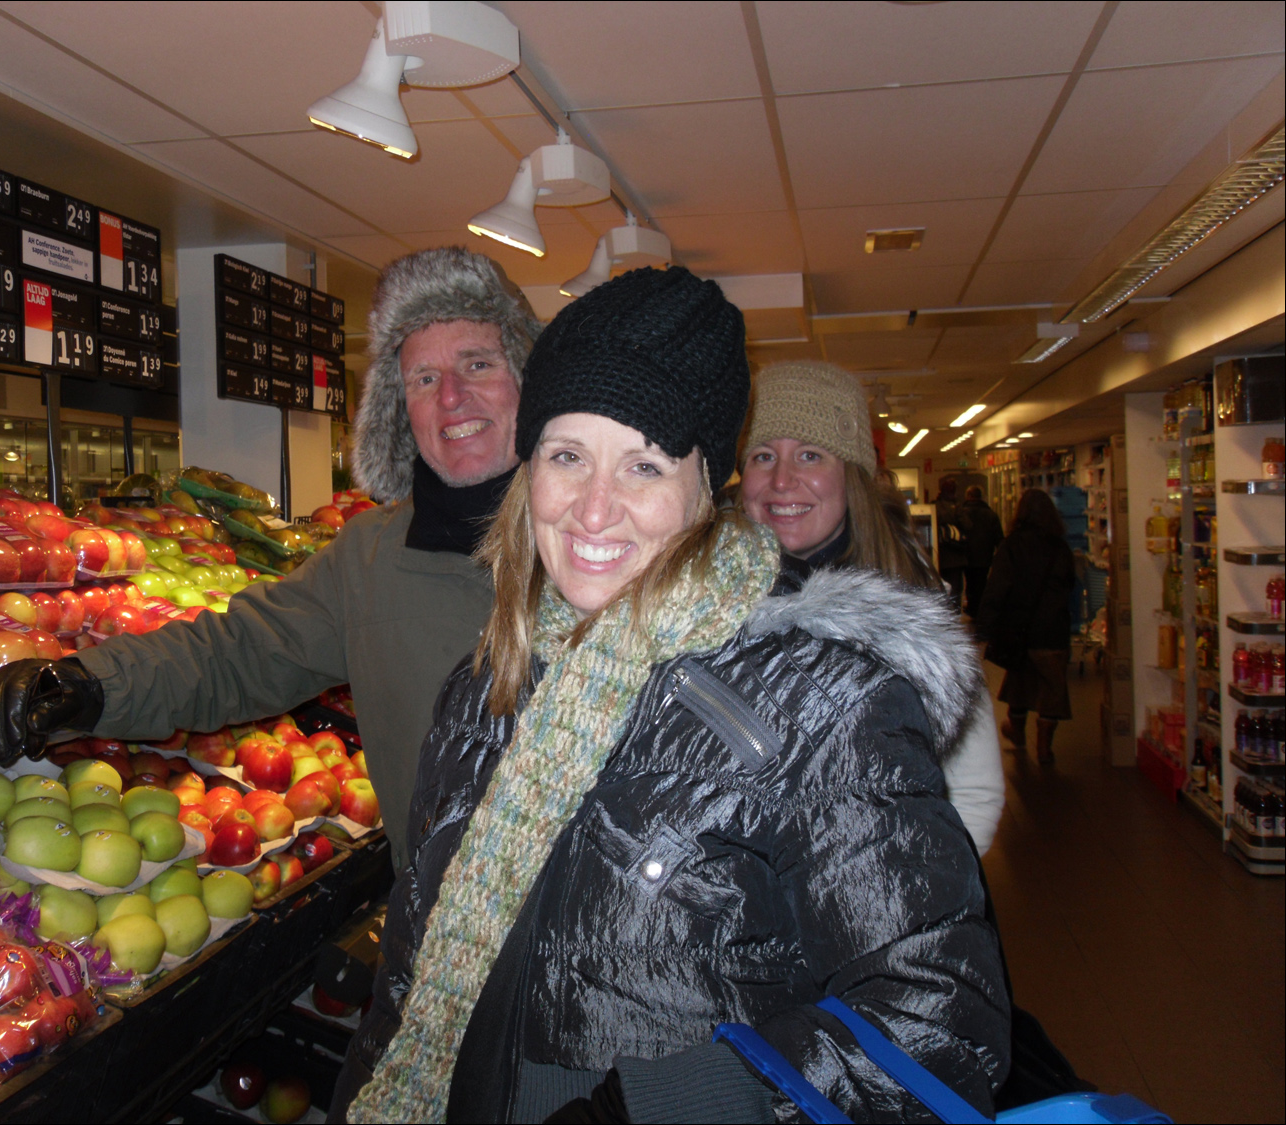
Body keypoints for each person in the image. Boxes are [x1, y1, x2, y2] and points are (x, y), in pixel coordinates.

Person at [334, 268, 1009, 1124]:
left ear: (703, 486)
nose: (594, 509)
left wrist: (653, 1109)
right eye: (567, 456)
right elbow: (408, 981)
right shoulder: (480, 693)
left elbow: (942, 1024)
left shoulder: (823, 706)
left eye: (644, 464)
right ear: (528, 469)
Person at [0, 247, 542, 868]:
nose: (450, 397)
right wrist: (87, 684)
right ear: (399, 412)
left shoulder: (599, 544)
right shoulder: (371, 557)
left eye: (477, 364)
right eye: (423, 379)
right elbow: (237, 652)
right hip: (439, 940)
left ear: (533, 381)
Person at [737, 360, 1005, 853]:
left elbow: (973, 792)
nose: (781, 481)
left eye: (811, 455)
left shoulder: (916, 615)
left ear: (851, 477)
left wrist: (907, 905)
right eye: (762, 456)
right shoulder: (695, 606)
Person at [976, 488, 1076, 763]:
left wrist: (983, 631)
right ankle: (1044, 745)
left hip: (1019, 629)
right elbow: (1070, 585)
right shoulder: (1061, 548)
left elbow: (996, 589)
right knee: (1053, 687)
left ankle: (1017, 730)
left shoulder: (1012, 546)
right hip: (1053, 631)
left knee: (1020, 680)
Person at [961, 484, 1005, 618]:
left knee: (969, 581)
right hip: (985, 556)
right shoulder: (991, 514)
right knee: (981, 582)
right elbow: (999, 537)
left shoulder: (961, 512)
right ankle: (980, 608)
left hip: (966, 554)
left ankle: (972, 606)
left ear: (968, 496)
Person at [934, 473, 969, 611]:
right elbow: (967, 525)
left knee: (942, 588)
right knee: (955, 588)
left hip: (940, 554)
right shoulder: (958, 508)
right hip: (956, 555)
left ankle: (944, 612)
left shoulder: (935, 506)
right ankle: (954, 613)